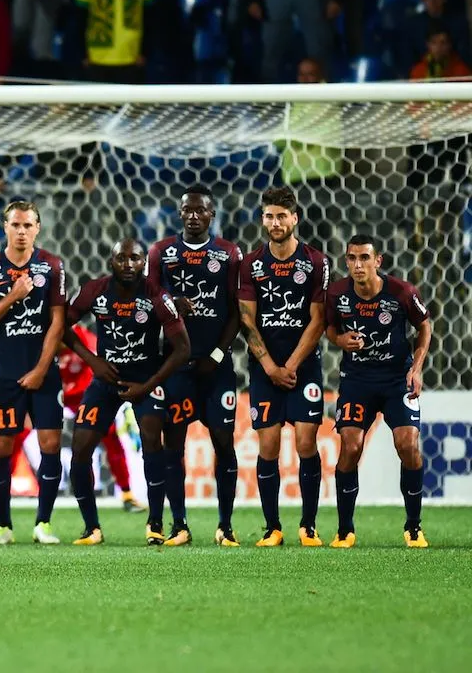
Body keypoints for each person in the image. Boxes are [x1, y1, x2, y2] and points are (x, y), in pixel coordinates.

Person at [64, 239, 190, 545]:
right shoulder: (95, 290)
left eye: (135, 258)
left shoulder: (156, 296)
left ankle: (155, 523)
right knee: (80, 446)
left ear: (144, 263)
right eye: (122, 258)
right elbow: (61, 325)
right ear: (111, 261)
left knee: (151, 440)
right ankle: (91, 528)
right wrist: (94, 361)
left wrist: (147, 386)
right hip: (106, 379)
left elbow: (182, 349)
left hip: (146, 381)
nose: (128, 264)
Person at [146, 184, 243, 547]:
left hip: (216, 368)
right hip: (177, 366)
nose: (193, 215)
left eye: (200, 210)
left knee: (224, 443)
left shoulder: (229, 254)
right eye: (187, 209)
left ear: (211, 215)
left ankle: (225, 526)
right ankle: (179, 525)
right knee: (174, 445)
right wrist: (170, 302)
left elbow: (237, 311)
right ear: (179, 212)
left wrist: (217, 354)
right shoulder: (161, 252)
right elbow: (150, 296)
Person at [0, 200, 67, 546]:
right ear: (5, 227)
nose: (21, 231)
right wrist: (12, 296)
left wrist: (41, 368)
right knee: (0, 445)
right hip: (3, 371)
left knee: (50, 442)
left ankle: (44, 523)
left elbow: (58, 322)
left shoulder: (53, 267)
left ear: (38, 228)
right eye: (15, 225)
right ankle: (4, 526)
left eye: (28, 225)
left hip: (44, 370)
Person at [324, 235, 432, 548]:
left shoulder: (401, 293)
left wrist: (417, 367)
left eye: (365, 258)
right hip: (357, 381)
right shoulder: (337, 293)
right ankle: (345, 530)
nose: (358, 265)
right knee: (351, 445)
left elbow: (424, 325)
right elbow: (329, 328)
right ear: (347, 261)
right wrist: (340, 341)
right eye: (353, 258)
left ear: (378, 261)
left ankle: (413, 527)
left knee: (408, 444)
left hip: (397, 380)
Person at [238, 187, 330, 547]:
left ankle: (308, 525)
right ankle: (272, 527)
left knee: (307, 442)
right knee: (268, 446)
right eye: (269, 216)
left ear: (295, 219)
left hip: (303, 368)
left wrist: (289, 365)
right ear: (263, 219)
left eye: (281, 216)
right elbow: (247, 320)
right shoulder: (251, 264)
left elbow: (318, 319)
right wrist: (270, 366)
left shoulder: (316, 262)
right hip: (264, 369)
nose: (275, 223)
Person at [59, 324, 144, 513]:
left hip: (84, 393)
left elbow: (99, 364)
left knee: (110, 435)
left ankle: (127, 493)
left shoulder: (81, 337)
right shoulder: (41, 342)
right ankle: (1, 490)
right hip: (54, 393)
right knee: (20, 432)